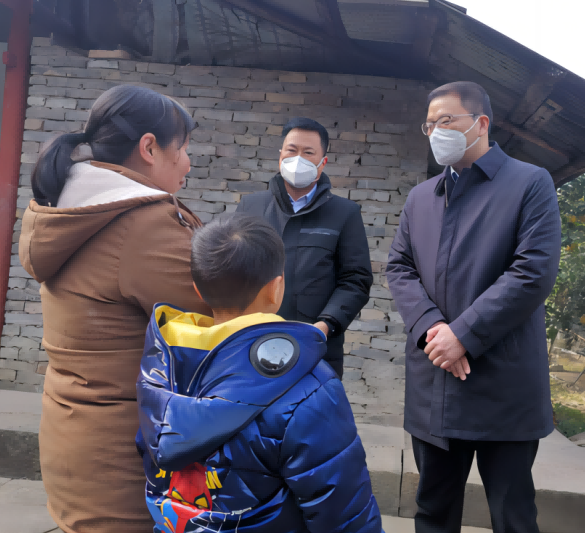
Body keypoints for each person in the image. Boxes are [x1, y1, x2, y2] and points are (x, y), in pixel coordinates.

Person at [20, 84, 211, 533]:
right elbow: (217, 323)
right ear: (149, 148)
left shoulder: (72, 207)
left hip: (75, 436)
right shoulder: (143, 226)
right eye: (183, 148)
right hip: (122, 458)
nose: (187, 162)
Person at [385, 81, 562, 533]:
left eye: (446, 120)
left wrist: (463, 334)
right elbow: (399, 268)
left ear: (481, 123)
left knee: (513, 515)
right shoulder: (421, 197)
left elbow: (533, 271)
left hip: (503, 381)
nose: (435, 131)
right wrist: (432, 329)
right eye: (429, 124)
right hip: (436, 380)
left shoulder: (529, 183)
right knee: (433, 512)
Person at [136, 215, 382, 533]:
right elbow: (343, 514)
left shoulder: (161, 366)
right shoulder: (309, 387)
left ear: (198, 288)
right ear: (276, 288)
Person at [236, 117, 372, 377]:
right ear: (280, 156)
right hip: (252, 341)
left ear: (322, 163)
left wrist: (326, 325)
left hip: (315, 347)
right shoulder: (250, 207)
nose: (298, 159)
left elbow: (356, 280)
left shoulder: (344, 213)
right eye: (292, 150)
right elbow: (232, 270)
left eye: (308, 153)